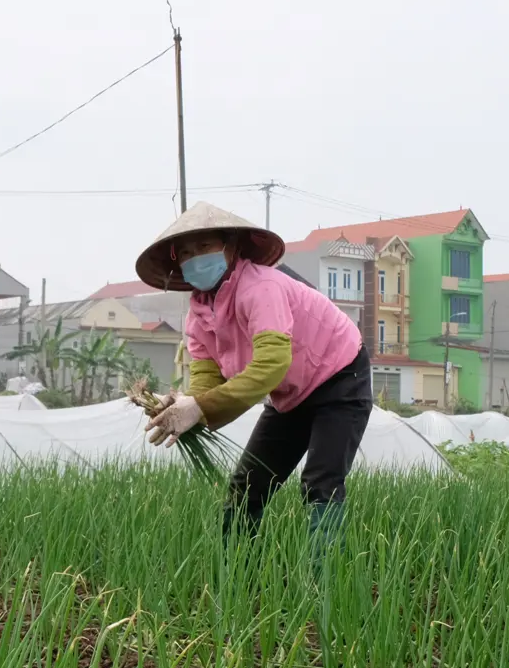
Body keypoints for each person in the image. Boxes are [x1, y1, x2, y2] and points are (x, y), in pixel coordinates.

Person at [135, 202, 373, 539]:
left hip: (339, 377)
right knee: (246, 485)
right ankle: (236, 580)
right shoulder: (199, 315)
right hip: (290, 394)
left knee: (320, 482)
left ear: (231, 247)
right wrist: (185, 406)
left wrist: (200, 407)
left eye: (205, 247)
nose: (195, 258)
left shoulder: (261, 288)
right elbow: (207, 379)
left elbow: (271, 365)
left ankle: (325, 582)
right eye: (186, 253)